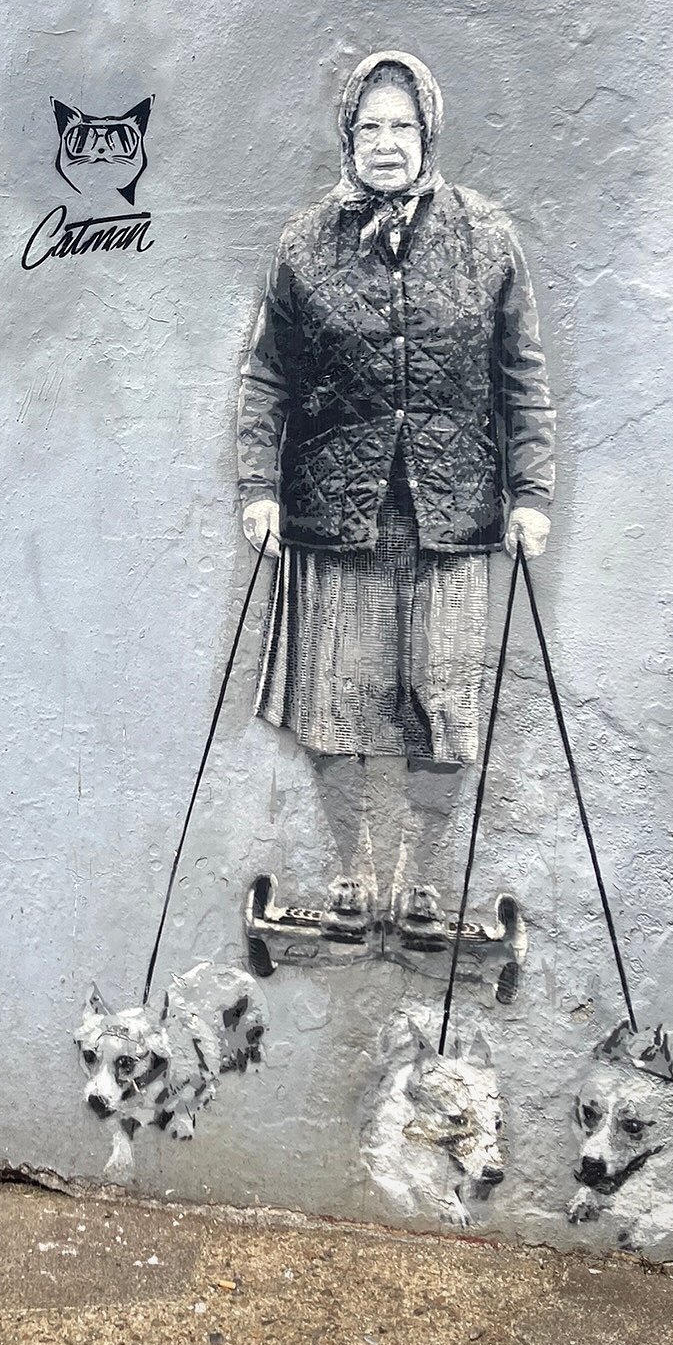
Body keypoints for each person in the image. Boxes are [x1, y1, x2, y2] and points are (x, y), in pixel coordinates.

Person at [237, 50, 555, 945]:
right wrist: (259, 486)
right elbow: (268, 379)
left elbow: (521, 382)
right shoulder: (304, 244)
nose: (386, 144)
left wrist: (531, 495)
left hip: (453, 517)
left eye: (402, 127)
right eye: (370, 127)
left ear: (428, 136)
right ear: (349, 135)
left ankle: (416, 880)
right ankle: (350, 872)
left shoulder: (488, 238)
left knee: (443, 701)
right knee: (338, 699)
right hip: (335, 514)